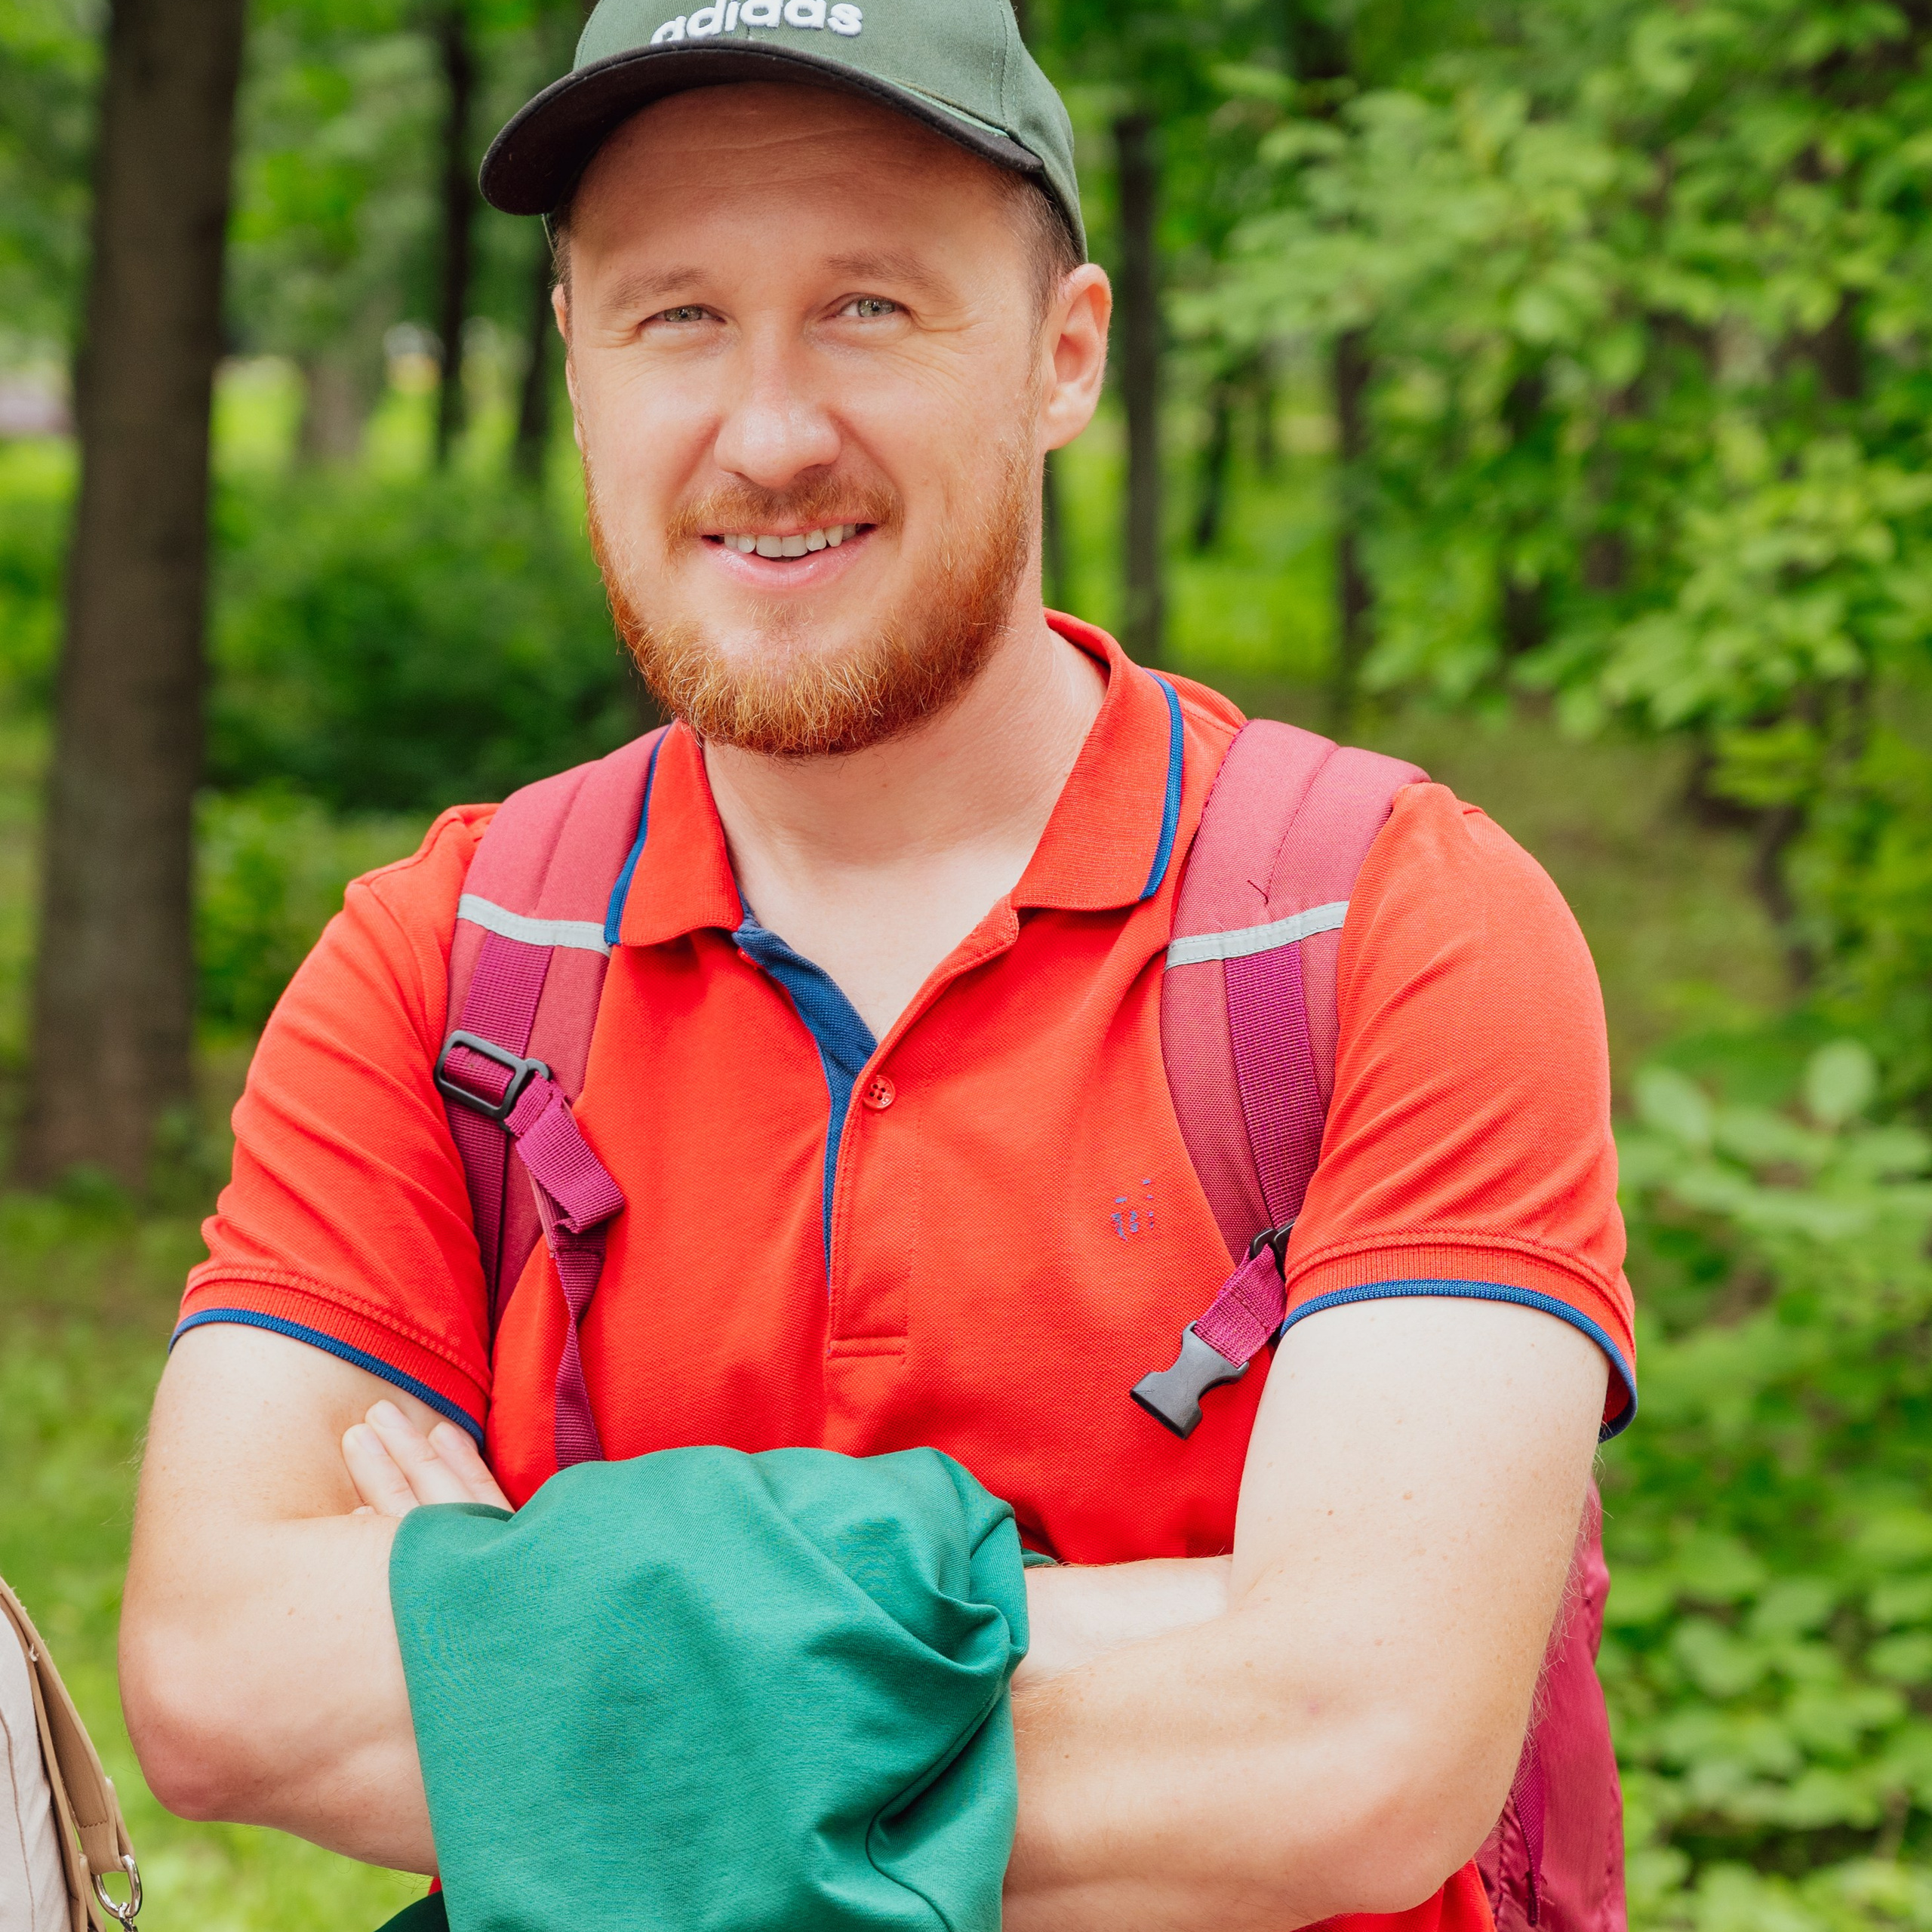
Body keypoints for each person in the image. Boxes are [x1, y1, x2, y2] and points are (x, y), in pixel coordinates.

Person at [118, 3, 1635, 1927]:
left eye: (867, 308)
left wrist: (542, 1604)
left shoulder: (1380, 926)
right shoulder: (448, 961)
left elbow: (1355, 1752)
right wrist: (1124, 1623)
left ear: (1062, 354)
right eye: (678, 315)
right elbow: (221, 1677)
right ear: (575, 359)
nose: (768, 435)